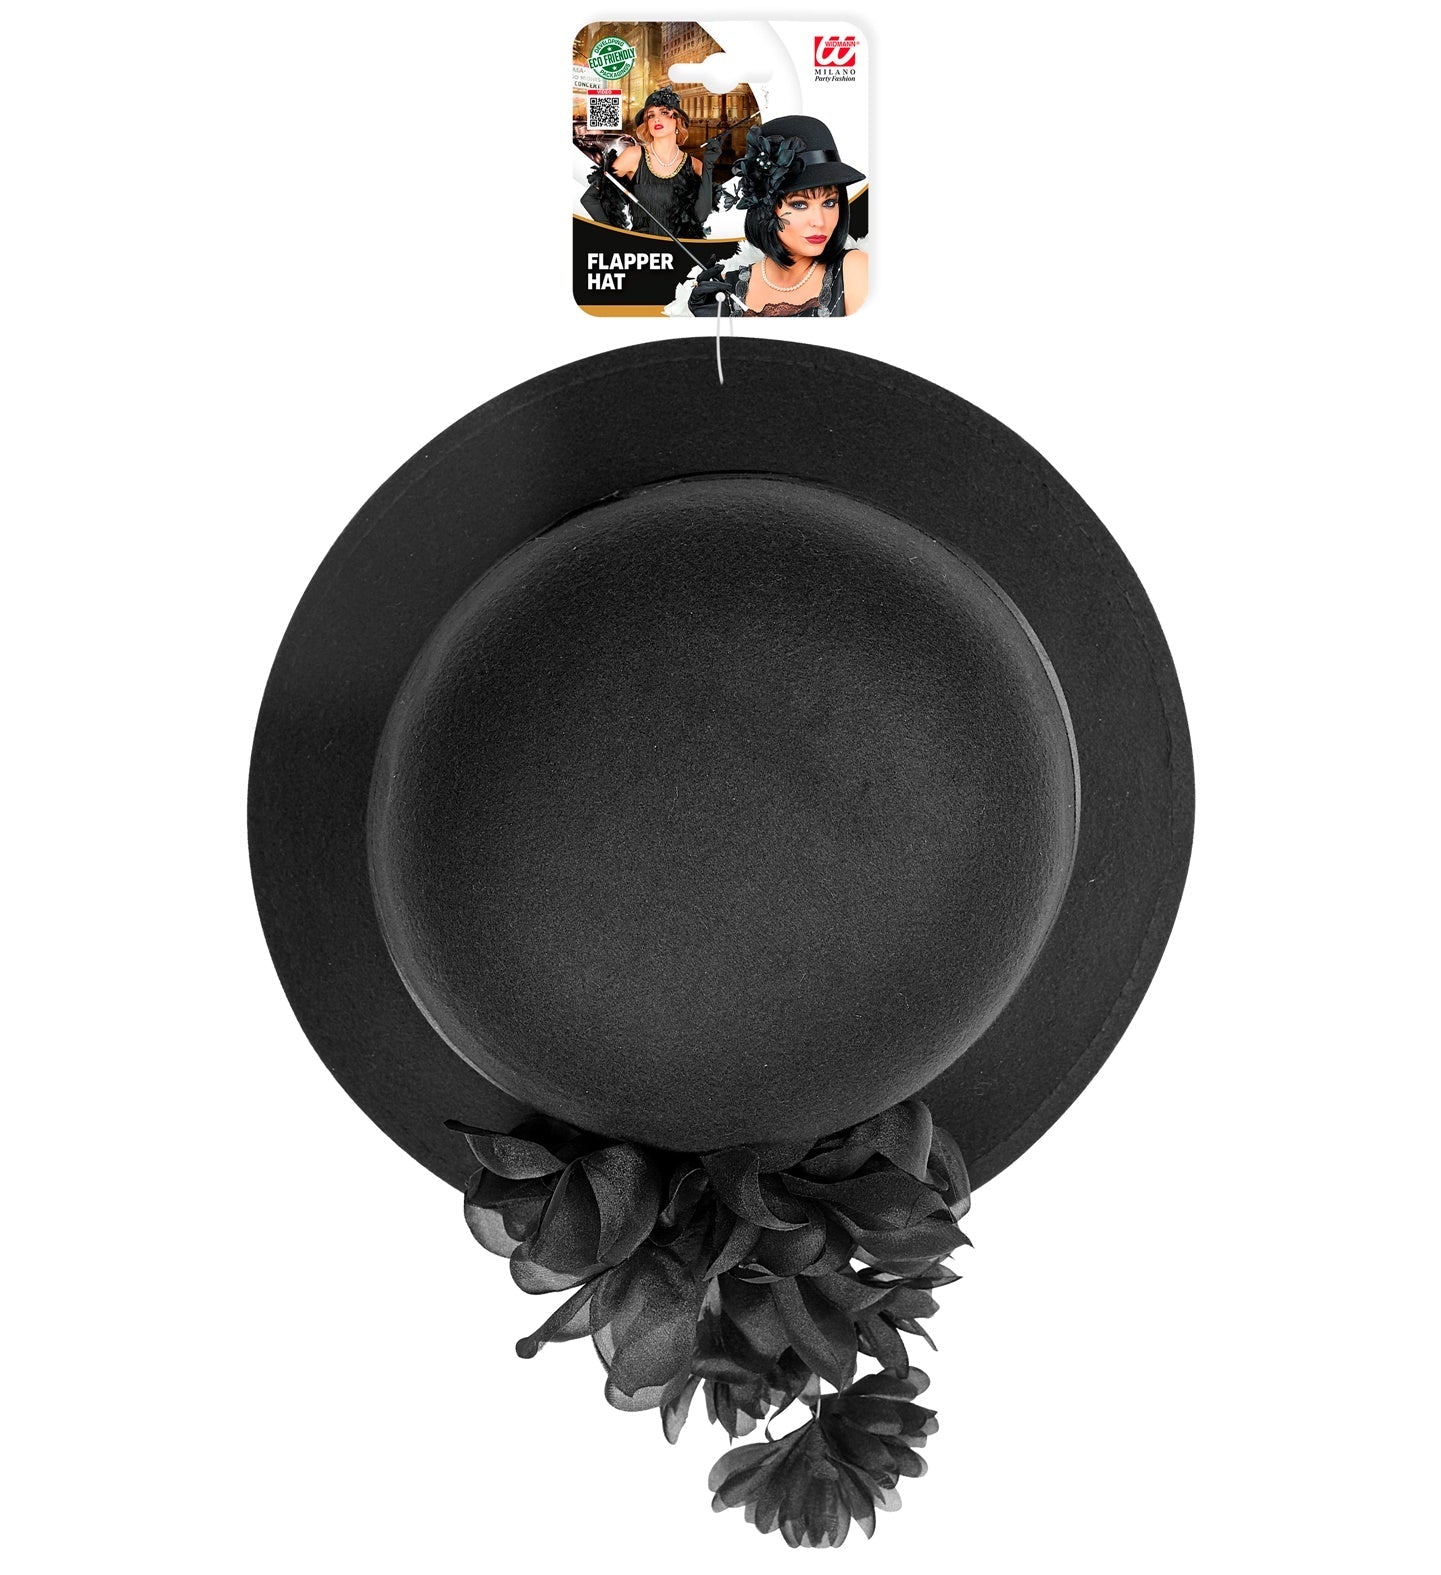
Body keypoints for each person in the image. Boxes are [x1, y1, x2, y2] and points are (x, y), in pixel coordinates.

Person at [684, 115, 868, 318]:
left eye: (829, 203)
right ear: (766, 208)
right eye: (800, 204)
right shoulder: (729, 289)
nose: (820, 221)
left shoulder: (854, 269)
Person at [580, 87, 721, 238]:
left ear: (678, 120)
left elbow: (699, 217)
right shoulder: (634, 156)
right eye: (650, 115)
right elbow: (590, 199)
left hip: (680, 250)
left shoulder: (695, 165)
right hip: (644, 250)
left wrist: (708, 167)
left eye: (664, 113)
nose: (656, 119)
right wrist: (617, 238)